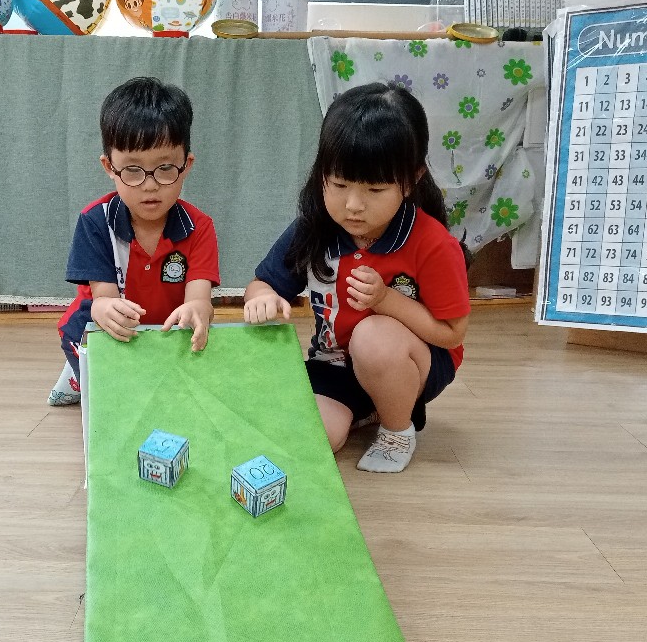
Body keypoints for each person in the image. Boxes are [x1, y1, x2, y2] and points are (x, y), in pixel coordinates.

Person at [243, 82, 470, 473]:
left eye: (375, 189)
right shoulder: (315, 228)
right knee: (312, 439)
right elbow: (262, 284)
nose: (353, 205)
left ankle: (397, 429)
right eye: (339, 184)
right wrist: (261, 298)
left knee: (373, 338)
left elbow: (452, 334)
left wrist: (386, 301)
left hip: (412, 361)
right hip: (333, 363)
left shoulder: (432, 243)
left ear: (411, 179)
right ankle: (370, 406)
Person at [55, 76, 220, 397]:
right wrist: (105, 309)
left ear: (186, 164)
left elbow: (200, 300)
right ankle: (78, 378)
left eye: (165, 168)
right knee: (111, 380)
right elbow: (104, 298)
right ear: (109, 166)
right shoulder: (95, 221)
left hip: (165, 331)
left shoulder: (199, 226)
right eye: (132, 170)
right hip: (107, 329)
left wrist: (198, 311)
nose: (150, 185)